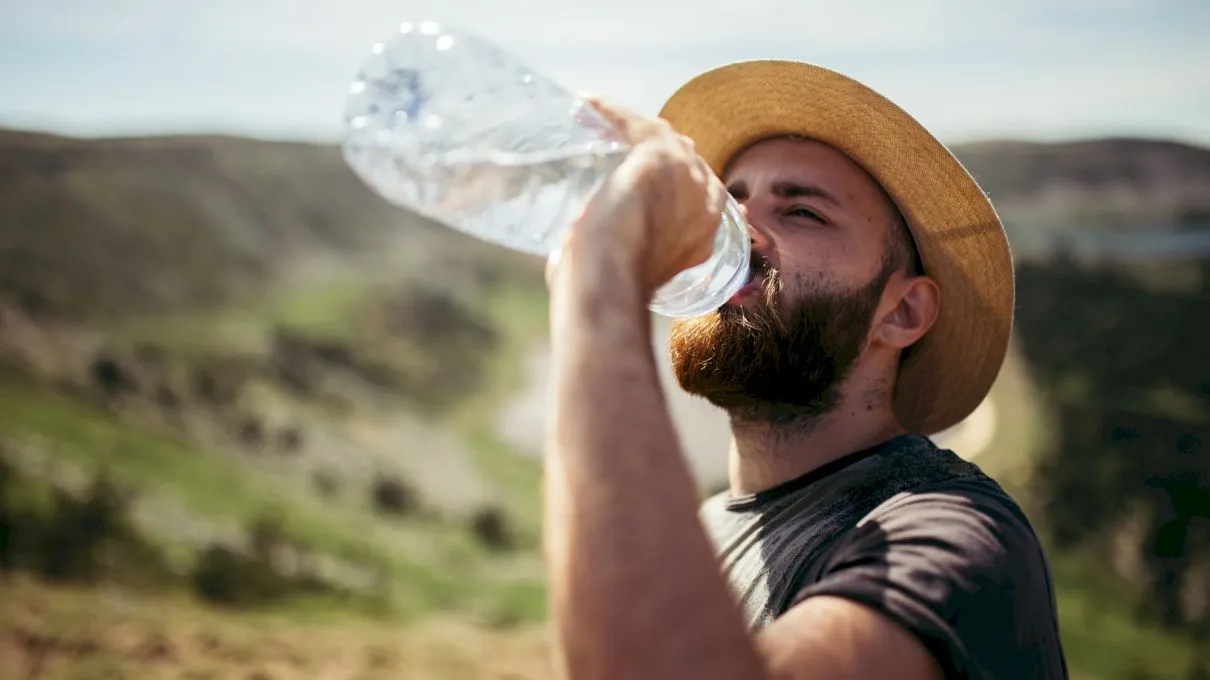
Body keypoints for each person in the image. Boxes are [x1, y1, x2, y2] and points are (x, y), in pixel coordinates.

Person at [541, 60, 1069, 679]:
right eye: (729, 203)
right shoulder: (704, 531)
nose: (738, 234)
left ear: (900, 312)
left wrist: (599, 280)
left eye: (801, 213)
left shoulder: (955, 535)